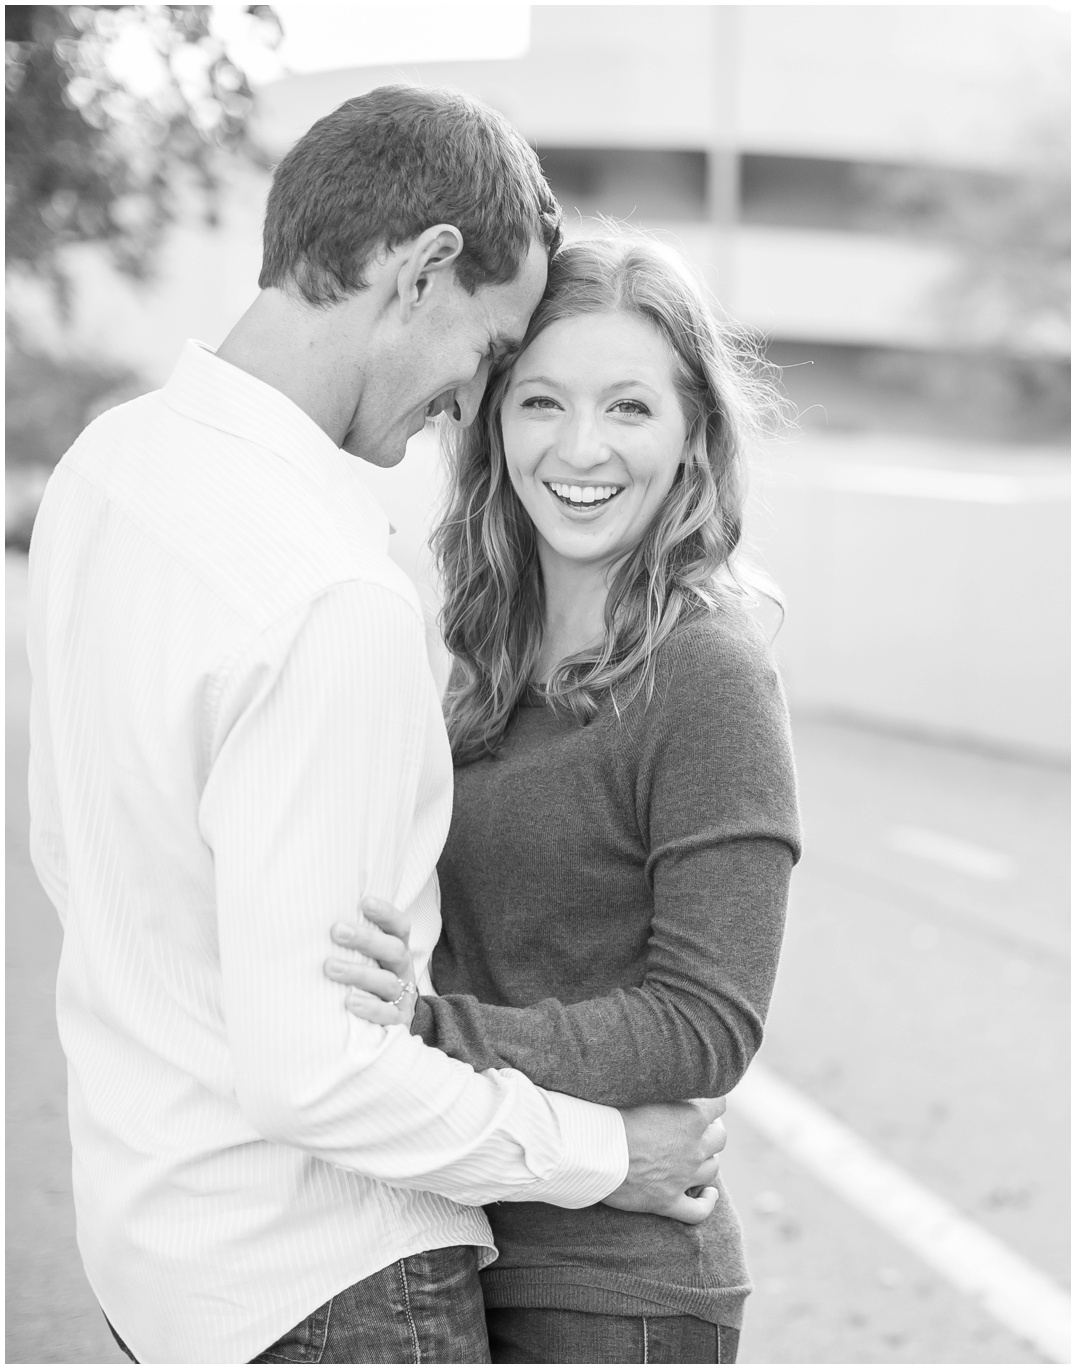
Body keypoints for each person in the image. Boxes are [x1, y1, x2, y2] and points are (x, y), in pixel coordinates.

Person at [25, 85, 727, 1364]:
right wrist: (604, 1151)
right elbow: (318, 1070)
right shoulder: (330, 595)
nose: (467, 400)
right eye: (492, 351)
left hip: (153, 1261)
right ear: (423, 271)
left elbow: (80, 862)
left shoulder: (107, 470)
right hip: (327, 1280)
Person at [319, 232, 800, 1364]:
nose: (581, 448)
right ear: (492, 421)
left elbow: (706, 1021)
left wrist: (430, 1033)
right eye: (541, 401)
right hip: (449, 1231)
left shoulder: (706, 673)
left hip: (615, 1285)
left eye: (629, 408)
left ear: (692, 439)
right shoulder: (480, 649)